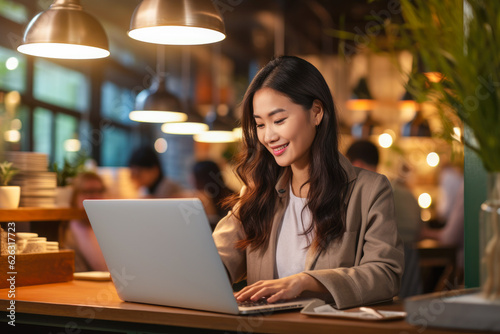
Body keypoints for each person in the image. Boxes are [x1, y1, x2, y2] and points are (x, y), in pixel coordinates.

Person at [213, 56, 404, 309]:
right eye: (260, 124)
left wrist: (306, 281)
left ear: (316, 112)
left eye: (279, 120)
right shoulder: (257, 192)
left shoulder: (369, 191)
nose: (268, 136)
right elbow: (215, 262)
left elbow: (385, 275)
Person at [346, 139, 423, 298]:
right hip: (411, 263)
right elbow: (419, 228)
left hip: (380, 271)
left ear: (357, 164)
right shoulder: (404, 191)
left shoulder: (372, 193)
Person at [63, 171, 107, 272]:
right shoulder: (70, 231)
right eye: (90, 191)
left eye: (100, 191)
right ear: (75, 197)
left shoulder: (107, 226)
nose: (96, 197)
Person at [192, 160, 234, 228]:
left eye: (193, 176)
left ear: (201, 179)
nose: (190, 179)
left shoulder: (231, 199)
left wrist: (211, 215)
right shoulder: (201, 196)